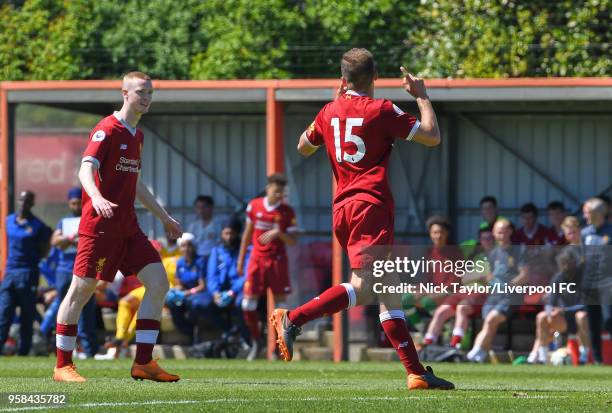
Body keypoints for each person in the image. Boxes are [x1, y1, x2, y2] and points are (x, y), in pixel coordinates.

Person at [269, 48, 453, 389]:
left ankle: (415, 373)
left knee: (387, 287)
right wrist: (422, 97)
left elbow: (302, 147)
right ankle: (292, 318)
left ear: (342, 79)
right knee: (365, 287)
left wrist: (332, 108)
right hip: (370, 206)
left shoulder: (329, 111)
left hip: (342, 209)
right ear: (376, 77)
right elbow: (432, 136)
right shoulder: (382, 109)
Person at [53, 71, 183, 383]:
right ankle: (63, 365)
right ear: (125, 93)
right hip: (99, 228)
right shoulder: (106, 129)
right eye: (141, 92)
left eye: (150, 92)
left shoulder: (137, 135)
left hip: (128, 227)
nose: (147, 98)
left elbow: (136, 184)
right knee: (81, 290)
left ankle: (143, 363)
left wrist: (164, 217)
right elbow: (86, 169)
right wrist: (95, 196)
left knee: (158, 283)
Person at [237, 173, 298, 361]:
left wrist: (278, 233)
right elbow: (247, 234)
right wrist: (241, 260)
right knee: (248, 304)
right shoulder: (254, 206)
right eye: (276, 190)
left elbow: (293, 241)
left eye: (282, 192)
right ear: (268, 188)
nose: (279, 195)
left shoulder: (287, 212)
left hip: (277, 261)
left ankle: (279, 346)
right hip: (256, 259)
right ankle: (257, 341)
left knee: (281, 304)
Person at [40, 188, 98, 358]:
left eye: (79, 203)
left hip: (86, 268)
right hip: (65, 271)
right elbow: (55, 241)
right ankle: (57, 343)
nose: (76, 206)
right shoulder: (64, 222)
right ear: (69, 203)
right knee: (63, 305)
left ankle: (88, 349)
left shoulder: (91, 218)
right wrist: (70, 239)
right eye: (73, 203)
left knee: (87, 308)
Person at [467, 218, 528, 363]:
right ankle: (481, 356)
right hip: (494, 296)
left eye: (505, 231)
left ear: (511, 232)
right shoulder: (493, 254)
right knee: (490, 324)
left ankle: (473, 354)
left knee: (491, 319)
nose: (502, 234)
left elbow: (525, 275)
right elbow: (490, 276)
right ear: (494, 233)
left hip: (511, 297)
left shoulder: (519, 250)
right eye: (499, 231)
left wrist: (509, 286)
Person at [0, 190, 52, 356]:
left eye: (28, 201)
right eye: (22, 200)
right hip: (10, 274)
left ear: (32, 204)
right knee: (4, 312)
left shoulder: (37, 225)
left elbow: (45, 248)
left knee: (27, 315)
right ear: (18, 201)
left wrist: (35, 259)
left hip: (28, 273)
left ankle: (23, 351)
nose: (24, 204)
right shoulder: (8, 221)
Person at [527, 248, 590, 364]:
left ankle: (584, 356)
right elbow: (551, 303)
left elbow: (584, 304)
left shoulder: (583, 278)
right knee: (541, 316)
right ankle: (543, 356)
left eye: (567, 263)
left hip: (577, 318)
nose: (565, 267)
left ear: (574, 263)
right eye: (562, 264)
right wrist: (550, 312)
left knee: (582, 316)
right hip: (562, 320)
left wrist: (563, 309)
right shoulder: (558, 278)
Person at [206, 218, 250, 343]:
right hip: (220, 292)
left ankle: (246, 339)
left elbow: (246, 275)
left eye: (232, 233)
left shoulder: (245, 251)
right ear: (221, 234)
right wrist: (215, 293)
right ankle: (230, 332)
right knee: (200, 304)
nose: (229, 237)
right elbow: (211, 275)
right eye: (226, 233)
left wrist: (232, 292)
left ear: (237, 234)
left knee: (240, 304)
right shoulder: (216, 251)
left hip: (238, 291)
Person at [581, 197, 612, 364]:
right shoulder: (585, 233)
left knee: (608, 319)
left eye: (590, 213)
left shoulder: (610, 231)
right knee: (593, 322)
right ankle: (598, 360)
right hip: (589, 283)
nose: (586, 216)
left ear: (600, 214)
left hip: (608, 282)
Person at [165, 233, 208, 343]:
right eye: (183, 246)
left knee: (193, 304)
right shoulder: (180, 262)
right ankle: (189, 332)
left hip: (198, 294)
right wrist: (176, 291)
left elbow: (203, 286)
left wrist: (187, 293)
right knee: (172, 304)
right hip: (185, 295)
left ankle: (196, 335)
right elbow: (179, 283)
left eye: (189, 245)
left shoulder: (200, 261)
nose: (186, 249)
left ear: (193, 247)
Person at [187, 195, 221, 267]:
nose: (201, 210)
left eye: (204, 207)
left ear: (211, 207)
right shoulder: (193, 226)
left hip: (214, 259)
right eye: (198, 208)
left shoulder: (219, 225)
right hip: (196, 259)